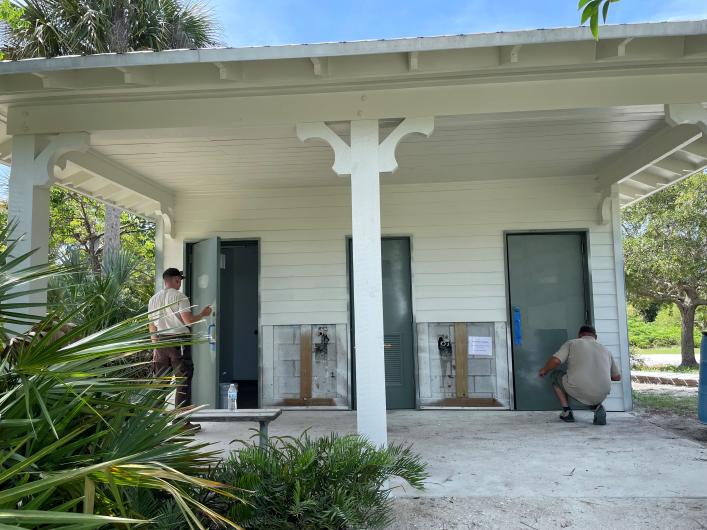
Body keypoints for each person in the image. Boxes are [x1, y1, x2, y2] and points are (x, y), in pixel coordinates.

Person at [148, 268, 212, 416]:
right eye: (180, 281)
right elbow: (188, 321)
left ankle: (154, 422)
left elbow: (151, 325)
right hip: (179, 343)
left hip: (160, 343)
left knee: (160, 383)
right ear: (176, 280)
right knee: (182, 382)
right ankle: (181, 423)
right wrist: (203, 314)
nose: (180, 284)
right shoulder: (180, 297)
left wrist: (154, 348)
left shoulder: (153, 299)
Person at [538, 325, 621, 425]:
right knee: (595, 383)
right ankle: (597, 407)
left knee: (555, 375)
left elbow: (556, 360)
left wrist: (544, 370)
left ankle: (566, 411)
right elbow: (617, 377)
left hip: (577, 388)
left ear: (579, 335)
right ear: (596, 337)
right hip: (601, 394)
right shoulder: (606, 350)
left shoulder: (572, 343)